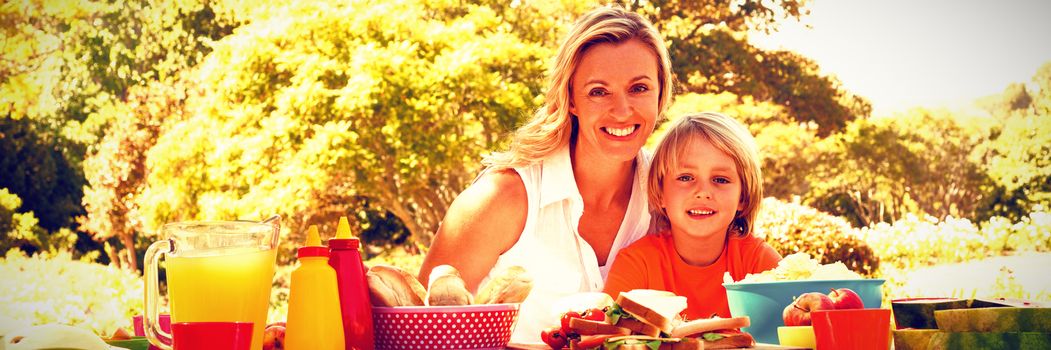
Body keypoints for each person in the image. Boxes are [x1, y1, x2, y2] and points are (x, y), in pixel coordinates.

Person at [418, 6, 675, 343]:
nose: (622, 110)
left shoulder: (676, 194)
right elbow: (418, 331)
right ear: (569, 99)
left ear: (661, 93)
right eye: (599, 91)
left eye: (639, 88)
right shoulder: (503, 198)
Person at [603, 112, 782, 320]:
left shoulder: (759, 263)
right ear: (660, 194)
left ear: (743, 197)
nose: (703, 191)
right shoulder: (638, 264)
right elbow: (608, 335)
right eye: (686, 177)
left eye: (721, 179)